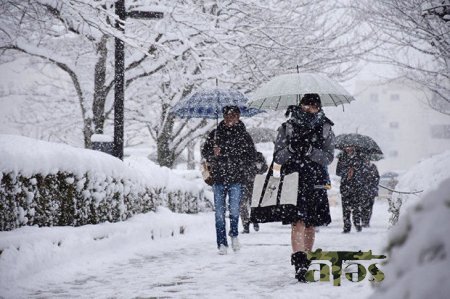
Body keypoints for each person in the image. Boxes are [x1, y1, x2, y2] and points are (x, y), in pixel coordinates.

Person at [272, 93, 335, 282]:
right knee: (297, 222)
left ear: (319, 107)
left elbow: (328, 157)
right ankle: (299, 264)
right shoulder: (287, 128)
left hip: (315, 180)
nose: (309, 109)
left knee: (311, 224)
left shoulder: (325, 128)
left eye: (313, 106)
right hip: (293, 180)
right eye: (306, 106)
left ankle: (307, 260)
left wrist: (310, 151)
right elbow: (278, 157)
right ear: (300, 106)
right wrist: (291, 149)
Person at [201, 105, 257, 255]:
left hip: (236, 179)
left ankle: (234, 235)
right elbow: (205, 152)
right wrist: (213, 153)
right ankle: (221, 243)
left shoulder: (244, 135)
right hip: (218, 178)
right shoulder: (215, 134)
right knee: (219, 213)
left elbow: (252, 156)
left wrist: (236, 159)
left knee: (234, 211)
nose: (229, 119)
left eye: (232, 116)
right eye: (227, 116)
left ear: (238, 117)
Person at [336, 147, 376, 233]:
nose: (348, 149)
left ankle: (357, 223)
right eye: (347, 147)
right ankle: (346, 226)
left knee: (356, 207)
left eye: (350, 147)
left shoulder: (359, 157)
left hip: (356, 187)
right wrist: (347, 171)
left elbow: (363, 172)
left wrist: (354, 170)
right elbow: (338, 172)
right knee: (345, 209)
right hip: (345, 187)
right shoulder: (342, 157)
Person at [240, 151, 268, 234]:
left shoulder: (257, 155)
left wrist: (258, 170)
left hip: (253, 182)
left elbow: (265, 167)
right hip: (245, 182)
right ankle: (247, 224)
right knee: (244, 204)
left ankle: (252, 221)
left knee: (250, 203)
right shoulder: (241, 155)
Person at [361, 160, 380, 227]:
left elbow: (377, 177)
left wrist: (372, 180)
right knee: (363, 206)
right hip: (363, 190)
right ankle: (363, 220)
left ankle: (367, 221)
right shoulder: (361, 166)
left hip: (371, 190)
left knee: (370, 206)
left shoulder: (373, 166)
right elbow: (359, 178)